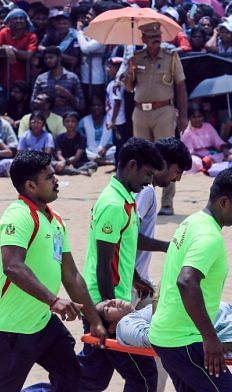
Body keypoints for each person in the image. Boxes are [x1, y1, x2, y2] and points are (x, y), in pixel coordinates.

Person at [0, 150, 107, 391]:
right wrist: (53, 301)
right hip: (11, 327)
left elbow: (71, 276)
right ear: (30, 185)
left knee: (70, 373)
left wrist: (94, 320)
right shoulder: (17, 216)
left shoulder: (56, 220)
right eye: (50, 177)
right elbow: (12, 266)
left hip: (41, 322)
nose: (56, 181)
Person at [150, 168, 232, 392]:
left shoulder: (191, 222)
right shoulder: (209, 236)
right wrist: (210, 339)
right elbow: (186, 281)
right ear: (224, 202)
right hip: (184, 341)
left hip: (167, 336)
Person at [78, 138, 165, 391]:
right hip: (106, 304)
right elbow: (104, 264)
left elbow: (122, 248)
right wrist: (109, 312)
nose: (149, 182)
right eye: (147, 174)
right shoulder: (114, 205)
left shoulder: (124, 199)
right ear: (132, 166)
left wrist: (136, 276)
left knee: (92, 378)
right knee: (144, 377)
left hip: (106, 302)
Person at [126, 22, 189, 217]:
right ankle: (144, 201)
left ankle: (167, 202)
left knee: (167, 158)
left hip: (163, 111)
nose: (155, 39)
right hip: (140, 112)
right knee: (142, 157)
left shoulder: (171, 58)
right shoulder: (135, 59)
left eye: (158, 36)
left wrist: (183, 115)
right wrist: (129, 71)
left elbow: (181, 88)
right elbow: (128, 88)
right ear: (143, 39)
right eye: (150, 37)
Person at [134, 137, 192, 284]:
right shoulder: (146, 190)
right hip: (131, 281)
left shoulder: (143, 187)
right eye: (177, 171)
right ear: (163, 163)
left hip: (139, 278)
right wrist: (168, 247)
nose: (177, 179)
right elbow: (130, 236)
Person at [31, 46, 85, 117]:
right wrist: (47, 102)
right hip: (47, 121)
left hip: (67, 121)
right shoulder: (41, 79)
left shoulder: (73, 78)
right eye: (46, 59)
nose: (48, 61)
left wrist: (68, 96)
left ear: (59, 58)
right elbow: (32, 104)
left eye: (51, 57)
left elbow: (82, 105)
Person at [181, 103, 230, 173]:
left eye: (199, 116)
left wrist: (224, 149)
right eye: (194, 117)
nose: (197, 119)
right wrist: (206, 159)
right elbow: (190, 153)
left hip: (213, 155)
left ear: (203, 117)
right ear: (189, 118)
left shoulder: (208, 126)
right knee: (193, 161)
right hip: (199, 158)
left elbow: (218, 142)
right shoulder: (187, 132)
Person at [0, 8, 37, 89]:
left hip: (23, 83)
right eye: (15, 18)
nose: (18, 20)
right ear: (10, 21)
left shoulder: (32, 36)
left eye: (21, 18)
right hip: (4, 81)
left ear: (26, 21)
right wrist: (6, 47)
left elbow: (28, 56)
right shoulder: (4, 32)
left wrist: (12, 49)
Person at [54, 112, 97, 176]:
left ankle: (72, 171)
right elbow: (59, 155)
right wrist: (65, 162)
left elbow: (77, 157)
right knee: (56, 166)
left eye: (73, 121)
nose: (70, 124)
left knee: (93, 165)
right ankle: (79, 172)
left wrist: (70, 163)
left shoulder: (82, 137)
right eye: (67, 121)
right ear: (63, 123)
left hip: (79, 162)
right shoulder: (59, 138)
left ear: (77, 123)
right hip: (64, 162)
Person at [80, 95, 115, 166]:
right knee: (85, 153)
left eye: (99, 105)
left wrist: (105, 148)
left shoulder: (109, 120)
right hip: (90, 150)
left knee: (116, 150)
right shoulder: (84, 121)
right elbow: (79, 138)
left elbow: (114, 138)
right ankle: (105, 162)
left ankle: (98, 161)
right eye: (94, 105)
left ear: (104, 107)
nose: (96, 107)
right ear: (90, 107)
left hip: (107, 150)